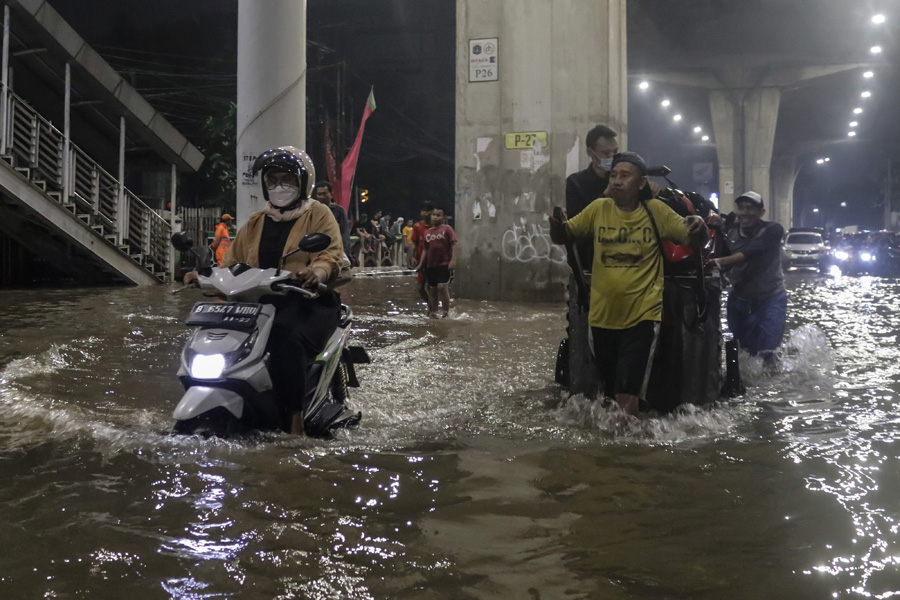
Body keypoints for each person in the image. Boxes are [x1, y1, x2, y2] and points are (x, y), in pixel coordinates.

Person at [188, 147, 344, 436]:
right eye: (272, 180)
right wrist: (202, 275)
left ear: (301, 183)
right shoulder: (256, 221)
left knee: (285, 337)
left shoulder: (318, 214)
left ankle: (294, 420)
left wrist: (315, 273)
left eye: (287, 179)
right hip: (260, 304)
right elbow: (230, 263)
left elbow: (329, 256)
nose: (278, 186)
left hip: (308, 301)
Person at [549, 152, 708, 417]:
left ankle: (625, 456)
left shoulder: (656, 212)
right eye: (613, 175)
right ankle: (621, 451)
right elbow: (565, 235)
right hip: (602, 316)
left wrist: (699, 225)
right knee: (610, 393)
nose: (617, 181)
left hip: (642, 315)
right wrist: (557, 225)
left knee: (626, 393)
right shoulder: (598, 209)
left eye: (625, 176)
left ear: (642, 183)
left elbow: (694, 240)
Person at [711, 191, 786, 363]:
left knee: (768, 349)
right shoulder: (729, 232)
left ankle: (770, 384)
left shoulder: (773, 230)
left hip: (771, 298)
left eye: (751, 208)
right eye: (741, 208)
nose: (745, 213)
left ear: (762, 212)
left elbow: (753, 252)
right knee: (743, 349)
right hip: (739, 299)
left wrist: (721, 261)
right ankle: (746, 385)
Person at [565, 125, 619, 266]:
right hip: (589, 261)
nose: (612, 158)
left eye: (616, 152)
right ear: (591, 152)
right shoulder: (576, 183)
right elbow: (578, 226)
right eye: (606, 153)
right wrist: (606, 194)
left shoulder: (623, 180)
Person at [415, 206, 457, 318]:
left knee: (442, 287)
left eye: (438, 215)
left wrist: (453, 260)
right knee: (432, 289)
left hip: (444, 263)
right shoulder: (427, 232)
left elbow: (453, 244)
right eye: (433, 215)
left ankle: (446, 312)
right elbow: (425, 249)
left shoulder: (447, 229)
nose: (435, 217)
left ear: (443, 217)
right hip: (430, 265)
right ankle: (433, 312)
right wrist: (420, 264)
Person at [315, 181, 351, 259]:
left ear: (331, 194)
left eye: (324, 194)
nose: (321, 197)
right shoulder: (314, 211)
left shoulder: (339, 210)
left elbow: (345, 232)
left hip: (335, 251)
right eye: (319, 194)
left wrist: (344, 251)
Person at [411, 202, 434, 305]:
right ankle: (431, 304)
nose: (424, 213)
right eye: (422, 211)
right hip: (421, 260)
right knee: (420, 287)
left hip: (433, 261)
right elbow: (414, 243)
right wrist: (413, 257)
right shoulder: (417, 226)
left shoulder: (435, 226)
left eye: (427, 211)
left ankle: (433, 307)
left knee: (431, 286)